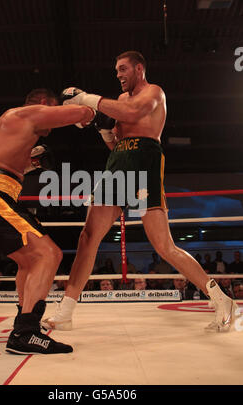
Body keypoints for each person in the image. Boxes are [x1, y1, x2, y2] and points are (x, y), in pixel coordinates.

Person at [44, 50, 237, 333]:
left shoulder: (154, 93)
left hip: (145, 159)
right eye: (117, 70)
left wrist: (85, 98)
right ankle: (66, 310)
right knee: (88, 236)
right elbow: (117, 143)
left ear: (139, 69)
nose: (119, 75)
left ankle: (220, 298)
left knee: (163, 246)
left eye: (123, 69)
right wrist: (102, 129)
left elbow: (133, 114)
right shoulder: (119, 100)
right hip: (119, 161)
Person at [0, 87, 95, 354]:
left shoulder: (16, 129)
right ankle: (26, 332)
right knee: (49, 254)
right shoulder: (26, 113)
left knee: (28, 259)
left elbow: (8, 165)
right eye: (53, 109)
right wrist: (86, 105)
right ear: (45, 104)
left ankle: (25, 319)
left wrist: (34, 164)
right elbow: (81, 112)